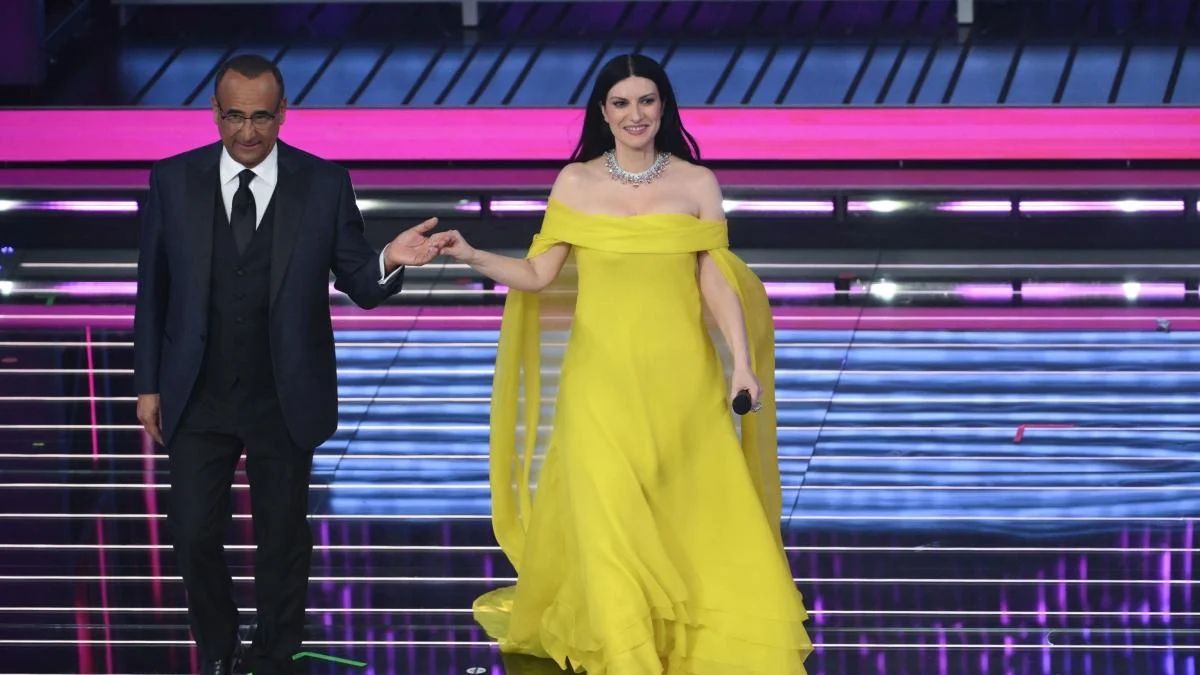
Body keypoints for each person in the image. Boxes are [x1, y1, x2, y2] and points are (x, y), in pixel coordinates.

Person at [433, 54, 813, 674]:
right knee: (607, 517)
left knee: (679, 512)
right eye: (621, 102)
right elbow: (537, 275)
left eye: (646, 100)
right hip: (599, 385)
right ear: (603, 112)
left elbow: (715, 279)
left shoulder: (696, 183)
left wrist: (742, 364)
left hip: (682, 381)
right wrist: (470, 254)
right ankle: (625, 654)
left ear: (663, 106)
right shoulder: (575, 183)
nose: (635, 114)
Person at [132, 54, 440, 675]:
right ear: (214, 112)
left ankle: (274, 655)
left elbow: (359, 281)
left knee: (281, 537)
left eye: (261, 117)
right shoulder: (173, 179)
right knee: (192, 531)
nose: (248, 132)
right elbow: (153, 291)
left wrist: (390, 258)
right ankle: (218, 645)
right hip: (197, 391)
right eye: (235, 117)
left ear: (283, 113)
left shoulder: (323, 183)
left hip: (285, 391)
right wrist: (148, 386)